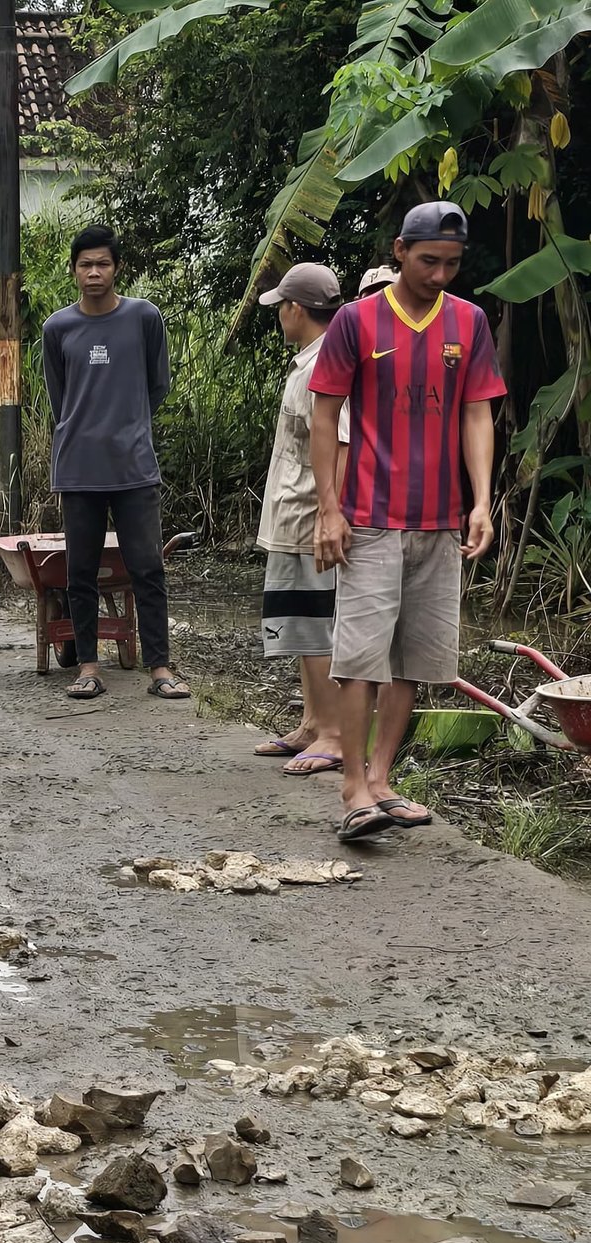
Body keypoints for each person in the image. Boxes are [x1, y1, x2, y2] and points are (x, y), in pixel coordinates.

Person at [309, 201, 506, 841]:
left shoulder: (469, 322)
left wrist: (481, 502)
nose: (439, 274)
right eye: (428, 261)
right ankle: (352, 788)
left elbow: (477, 413)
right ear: (400, 251)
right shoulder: (356, 320)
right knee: (361, 657)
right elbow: (324, 417)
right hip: (369, 516)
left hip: (439, 521)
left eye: (451, 263)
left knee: (413, 660)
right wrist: (329, 509)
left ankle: (382, 779)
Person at [41, 225, 187, 700]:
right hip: (79, 467)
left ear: (117, 268)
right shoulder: (58, 328)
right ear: (73, 270)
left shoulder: (144, 317)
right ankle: (88, 667)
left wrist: (128, 422)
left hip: (133, 467)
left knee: (148, 569)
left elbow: (157, 385)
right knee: (80, 572)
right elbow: (60, 398)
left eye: (102, 263)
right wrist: (85, 427)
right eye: (85, 264)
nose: (94, 272)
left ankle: (160, 669)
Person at [252, 263, 350, 776]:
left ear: (295, 308)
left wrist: (329, 515)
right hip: (293, 511)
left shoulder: (323, 366)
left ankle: (333, 733)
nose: (280, 317)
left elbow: (342, 444)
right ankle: (312, 723)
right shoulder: (310, 360)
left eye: (281, 308)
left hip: (310, 512)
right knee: (298, 622)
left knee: (315, 625)